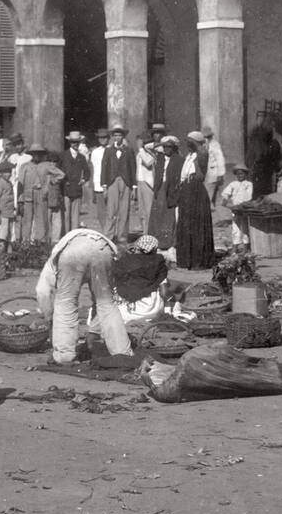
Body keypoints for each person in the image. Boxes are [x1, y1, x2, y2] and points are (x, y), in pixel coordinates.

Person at [35, 228, 134, 364]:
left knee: (65, 303)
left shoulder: (53, 260)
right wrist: (93, 332)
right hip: (102, 249)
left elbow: (42, 291)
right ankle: (122, 353)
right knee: (106, 303)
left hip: (73, 254)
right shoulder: (64, 247)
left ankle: (64, 355)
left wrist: (49, 317)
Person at [171, 130, 214, 269]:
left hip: (196, 192)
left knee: (196, 226)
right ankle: (186, 260)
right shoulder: (188, 157)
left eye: (190, 143)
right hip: (186, 191)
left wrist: (198, 143)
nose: (188, 145)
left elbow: (200, 174)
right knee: (185, 225)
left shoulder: (201, 155)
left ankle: (197, 261)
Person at [112, 233, 169, 323]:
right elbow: (164, 292)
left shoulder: (125, 260)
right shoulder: (158, 262)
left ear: (137, 247)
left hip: (123, 313)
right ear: (154, 249)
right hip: (150, 312)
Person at [16, 143, 63, 245]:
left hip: (41, 195)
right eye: (34, 154)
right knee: (27, 219)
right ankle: (26, 241)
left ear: (42, 155)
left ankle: (40, 241)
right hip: (28, 195)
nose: (36, 156)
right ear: (31, 155)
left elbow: (61, 175)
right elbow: (20, 185)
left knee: (41, 218)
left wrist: (51, 181)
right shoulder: (25, 166)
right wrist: (20, 201)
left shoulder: (46, 165)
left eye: (39, 154)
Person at [100, 126, 135, 242]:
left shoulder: (129, 150)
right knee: (111, 209)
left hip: (126, 182)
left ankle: (122, 236)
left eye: (119, 135)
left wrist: (134, 186)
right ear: (112, 137)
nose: (117, 137)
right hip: (112, 181)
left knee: (124, 210)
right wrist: (104, 185)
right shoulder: (108, 150)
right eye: (115, 135)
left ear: (123, 137)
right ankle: (108, 236)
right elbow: (104, 168)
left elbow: (132, 168)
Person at [147, 135, 180, 250]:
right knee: (157, 215)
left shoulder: (179, 159)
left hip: (171, 189)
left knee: (169, 215)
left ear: (174, 148)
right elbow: (147, 146)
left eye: (170, 147)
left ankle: (167, 242)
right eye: (165, 147)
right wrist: (159, 145)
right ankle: (156, 241)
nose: (167, 149)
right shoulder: (159, 157)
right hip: (160, 188)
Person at [60, 131, 91, 233]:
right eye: (73, 142)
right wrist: (64, 181)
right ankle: (66, 236)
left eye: (77, 142)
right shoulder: (63, 155)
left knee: (75, 215)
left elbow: (87, 172)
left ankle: (73, 235)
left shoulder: (81, 157)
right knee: (66, 214)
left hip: (77, 189)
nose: (75, 144)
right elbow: (58, 170)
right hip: (66, 189)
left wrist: (83, 180)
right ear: (70, 143)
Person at [220, 162, 255, 248]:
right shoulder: (233, 184)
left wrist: (244, 204)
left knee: (245, 227)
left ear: (245, 174)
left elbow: (248, 196)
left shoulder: (248, 184)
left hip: (245, 208)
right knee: (235, 228)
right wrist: (226, 200)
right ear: (236, 175)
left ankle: (246, 246)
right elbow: (226, 193)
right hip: (235, 209)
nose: (240, 175)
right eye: (238, 174)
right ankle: (235, 246)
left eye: (242, 173)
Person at [0, 160, 16, 249]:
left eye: (9, 172)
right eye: (5, 172)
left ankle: (8, 250)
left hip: (9, 211)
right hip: (2, 213)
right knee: (1, 233)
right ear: (0, 173)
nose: (8, 174)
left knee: (8, 232)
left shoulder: (9, 183)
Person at [135, 136, 157, 238]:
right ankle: (145, 232)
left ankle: (149, 233)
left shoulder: (153, 154)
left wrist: (141, 149)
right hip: (140, 182)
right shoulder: (140, 153)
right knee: (141, 211)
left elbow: (148, 163)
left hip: (148, 184)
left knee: (148, 210)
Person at [89, 127, 109, 229]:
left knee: (112, 209)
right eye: (101, 138)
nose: (103, 139)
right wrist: (92, 185)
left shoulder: (112, 150)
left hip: (110, 184)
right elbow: (92, 169)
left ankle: (111, 231)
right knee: (101, 210)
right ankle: (104, 230)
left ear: (108, 138)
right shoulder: (95, 152)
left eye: (105, 137)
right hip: (98, 183)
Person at [203, 126, 226, 204]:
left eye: (208, 137)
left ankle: (209, 206)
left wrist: (220, 174)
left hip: (213, 171)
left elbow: (220, 159)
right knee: (206, 190)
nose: (207, 139)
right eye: (205, 137)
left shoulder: (215, 145)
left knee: (210, 190)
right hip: (205, 172)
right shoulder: (203, 145)